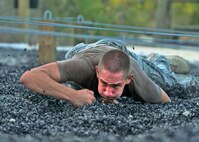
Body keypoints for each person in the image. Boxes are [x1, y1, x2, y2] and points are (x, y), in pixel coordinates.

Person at [19, 39, 193, 107]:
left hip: (122, 53)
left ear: (128, 80)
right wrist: (72, 95)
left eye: (115, 86)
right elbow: (29, 77)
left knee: (167, 80)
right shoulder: (83, 68)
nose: (108, 92)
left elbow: (166, 99)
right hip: (83, 50)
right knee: (71, 73)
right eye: (104, 83)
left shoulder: (138, 79)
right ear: (96, 72)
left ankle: (160, 59)